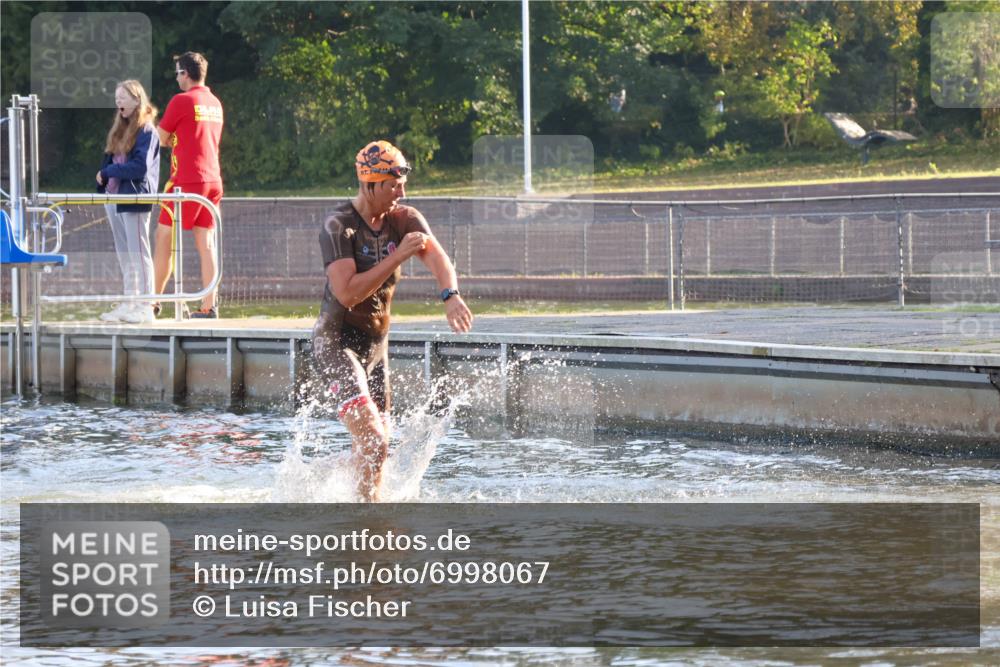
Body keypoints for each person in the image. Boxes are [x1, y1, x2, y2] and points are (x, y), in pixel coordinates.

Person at [312, 140, 473, 501]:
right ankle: (367, 521)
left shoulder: (404, 218)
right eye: (393, 184)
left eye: (403, 183)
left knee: (377, 451)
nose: (401, 192)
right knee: (372, 439)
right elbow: (348, 293)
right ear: (370, 183)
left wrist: (451, 295)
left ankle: (343, 495)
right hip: (336, 344)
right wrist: (397, 256)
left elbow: (438, 259)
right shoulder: (338, 225)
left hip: (375, 351)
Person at [153, 51, 224, 319]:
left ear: (185, 73)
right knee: (206, 243)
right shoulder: (215, 103)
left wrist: (171, 138)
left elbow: (160, 138)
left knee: (163, 237)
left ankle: (154, 301)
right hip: (213, 179)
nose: (177, 79)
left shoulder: (181, 101)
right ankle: (209, 305)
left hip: (186, 181)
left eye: (177, 73)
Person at [95, 80, 160, 323]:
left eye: (123, 97)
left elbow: (140, 167)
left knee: (139, 251)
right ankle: (129, 301)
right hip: (114, 197)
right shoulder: (118, 130)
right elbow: (110, 160)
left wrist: (110, 172)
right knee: (125, 252)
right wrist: (103, 176)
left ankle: (146, 304)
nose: (118, 102)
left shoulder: (146, 131)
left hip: (135, 196)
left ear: (136, 99)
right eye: (117, 98)